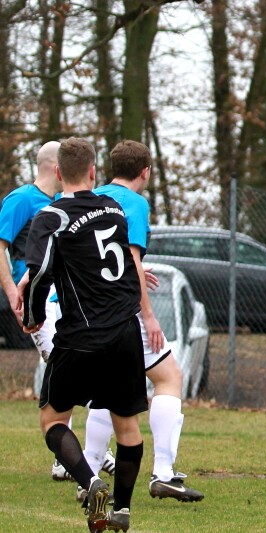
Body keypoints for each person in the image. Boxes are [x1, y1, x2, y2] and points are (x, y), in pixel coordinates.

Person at [22, 137, 146, 532]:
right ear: (93, 171)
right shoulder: (113, 208)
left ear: (58, 172)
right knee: (127, 426)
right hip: (125, 331)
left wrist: (33, 315)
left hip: (81, 336)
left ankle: (91, 483)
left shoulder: (51, 217)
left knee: (52, 420)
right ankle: (122, 510)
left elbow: (40, 273)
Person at [87, 139, 204, 503]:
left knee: (106, 388)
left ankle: (87, 475)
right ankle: (163, 473)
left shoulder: (91, 197)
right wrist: (149, 316)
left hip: (90, 309)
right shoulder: (135, 203)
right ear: (145, 171)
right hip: (123, 310)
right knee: (169, 377)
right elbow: (131, 257)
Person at [0, 141, 112, 480]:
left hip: (65, 301)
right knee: (70, 370)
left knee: (70, 373)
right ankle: (78, 456)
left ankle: (71, 457)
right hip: (39, 301)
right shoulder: (22, 199)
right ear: (55, 167)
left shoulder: (63, 203)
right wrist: (13, 294)